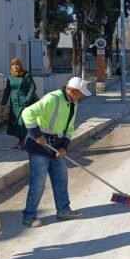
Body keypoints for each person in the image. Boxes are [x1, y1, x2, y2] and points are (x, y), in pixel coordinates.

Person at [20, 76, 91, 227]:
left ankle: (63, 210)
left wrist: (64, 147)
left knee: (61, 179)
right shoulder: (52, 99)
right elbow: (27, 113)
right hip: (39, 146)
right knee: (38, 184)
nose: (82, 96)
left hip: (56, 147)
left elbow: (70, 128)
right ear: (72, 91)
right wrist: (36, 135)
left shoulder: (73, 103)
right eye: (80, 93)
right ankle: (29, 216)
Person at [0, 58, 37, 150]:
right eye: (13, 65)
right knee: (16, 122)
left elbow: (33, 87)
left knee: (22, 121)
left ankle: (22, 142)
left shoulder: (26, 75)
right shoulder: (10, 77)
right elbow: (7, 90)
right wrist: (3, 103)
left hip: (24, 102)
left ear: (20, 65)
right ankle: (21, 141)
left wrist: (28, 99)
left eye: (17, 65)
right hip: (14, 103)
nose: (15, 66)